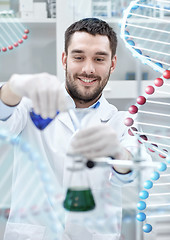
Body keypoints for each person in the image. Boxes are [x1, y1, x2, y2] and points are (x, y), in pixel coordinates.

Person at [0, 18, 144, 240]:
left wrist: (116, 151)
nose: (88, 69)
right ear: (64, 59)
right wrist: (13, 86)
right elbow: (3, 120)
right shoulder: (30, 106)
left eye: (99, 59)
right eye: (79, 57)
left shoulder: (122, 122)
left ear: (112, 64)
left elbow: (130, 172)